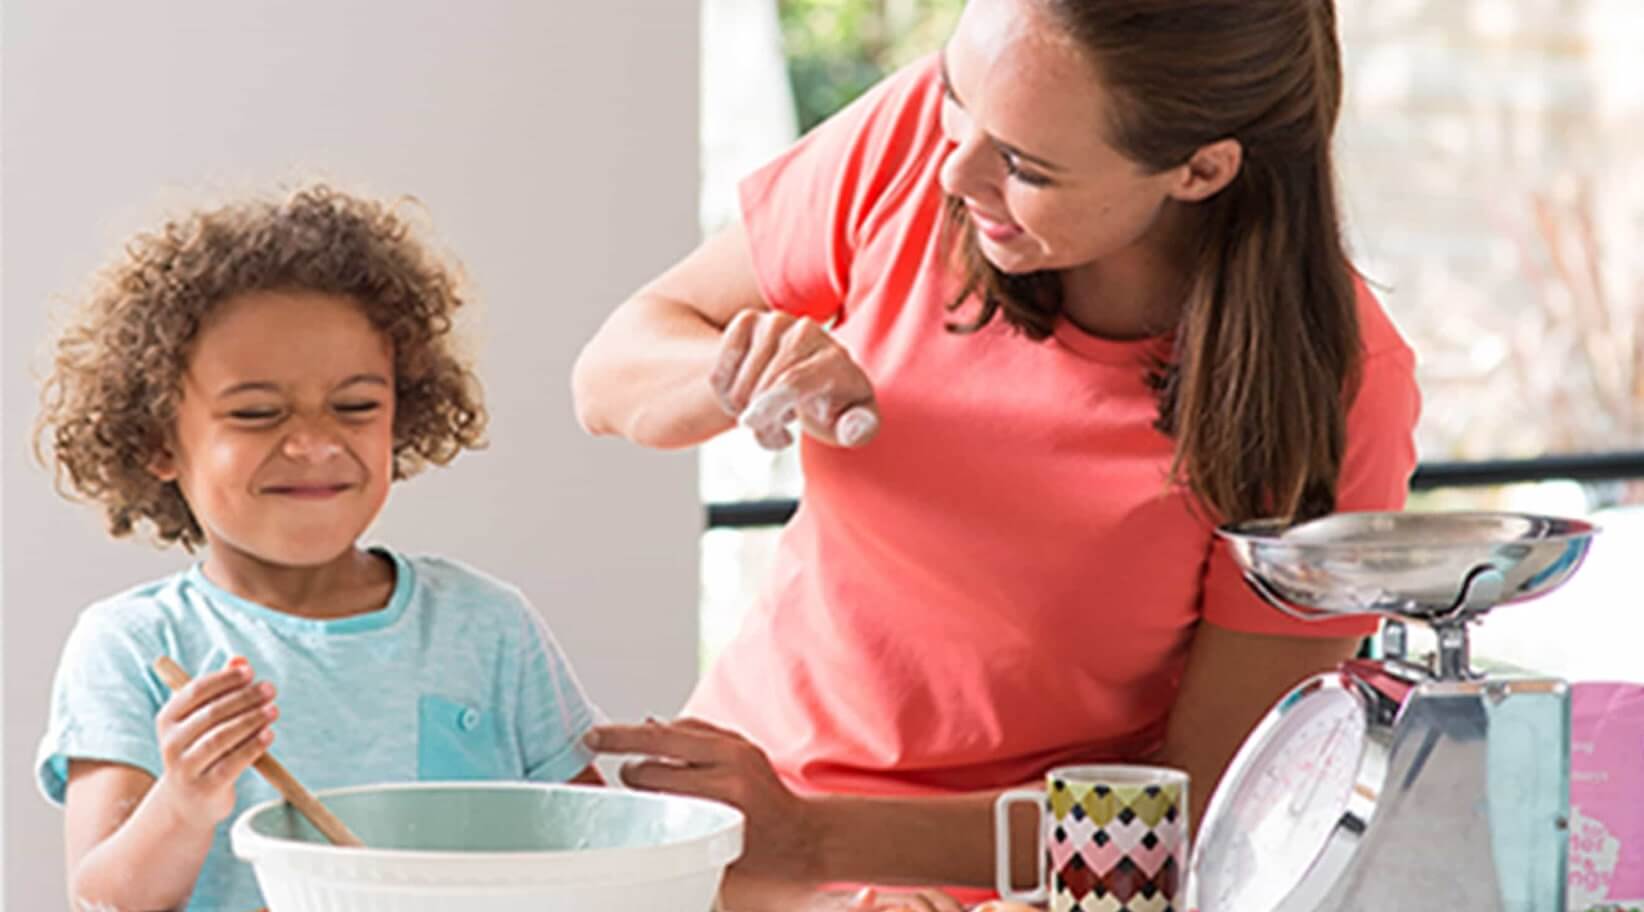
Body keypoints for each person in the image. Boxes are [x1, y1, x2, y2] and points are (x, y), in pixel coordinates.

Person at [573, 0, 1419, 907]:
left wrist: (822, 837)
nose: (952, 170)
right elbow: (611, 373)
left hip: (1013, 881)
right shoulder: (925, 138)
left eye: (1023, 167)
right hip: (730, 836)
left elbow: (1217, 809)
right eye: (952, 97)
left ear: (1201, 169)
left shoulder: (1338, 388)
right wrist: (740, 372)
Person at [34, 186, 604, 912]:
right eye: (257, 414)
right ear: (156, 441)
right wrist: (184, 801)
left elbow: (596, 861)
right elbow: (105, 901)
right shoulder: (135, 644)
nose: (312, 443)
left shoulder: (488, 626)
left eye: (356, 406)